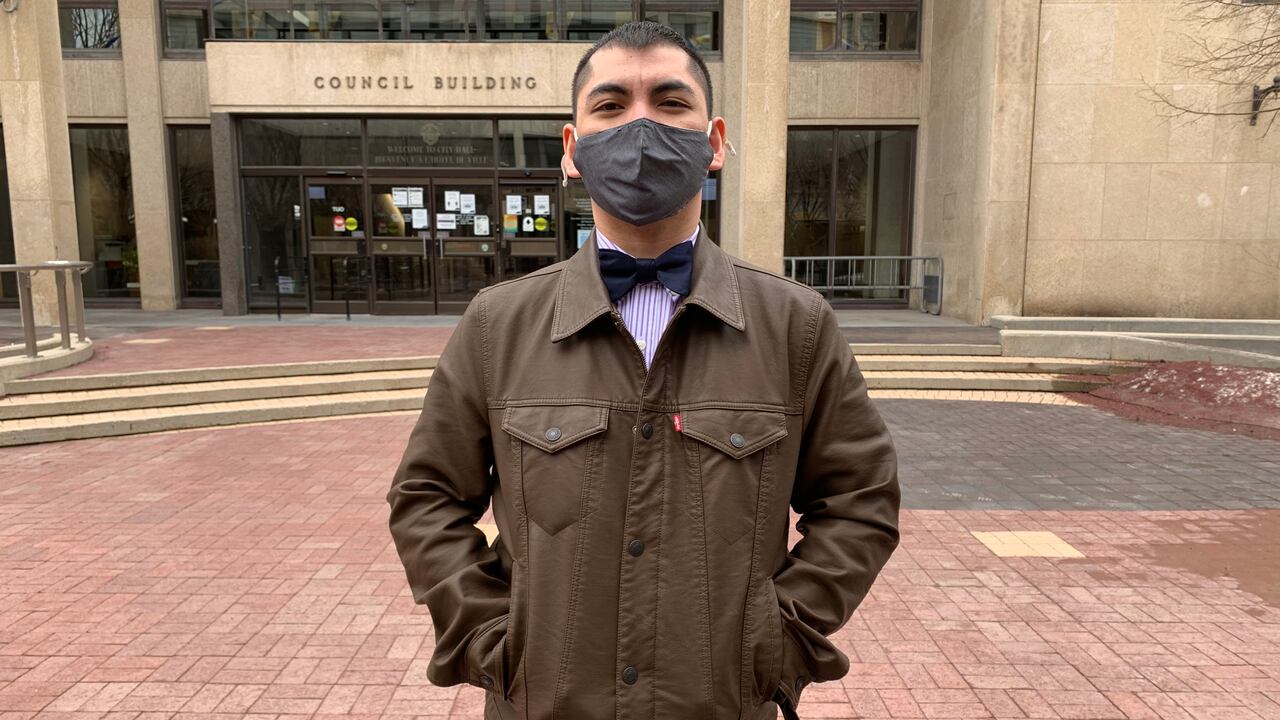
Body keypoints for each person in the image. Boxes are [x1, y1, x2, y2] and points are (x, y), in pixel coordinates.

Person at [386, 20, 901, 720]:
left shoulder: (795, 326)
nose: (640, 127)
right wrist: (492, 638)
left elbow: (860, 502)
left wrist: (776, 645)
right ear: (573, 151)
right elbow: (426, 498)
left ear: (714, 143)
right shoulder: (496, 326)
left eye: (669, 101)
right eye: (609, 106)